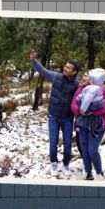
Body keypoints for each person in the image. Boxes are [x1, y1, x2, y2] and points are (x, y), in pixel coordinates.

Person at [29, 49, 80, 177]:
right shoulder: (57, 76)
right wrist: (33, 60)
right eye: (65, 66)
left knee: (68, 144)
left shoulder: (77, 84)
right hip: (53, 116)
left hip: (68, 118)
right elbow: (42, 70)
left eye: (68, 68)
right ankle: (54, 163)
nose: (65, 68)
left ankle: (66, 164)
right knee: (53, 141)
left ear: (74, 72)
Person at [71, 70, 105, 181]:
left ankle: (99, 173)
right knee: (84, 149)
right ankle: (88, 172)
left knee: (92, 150)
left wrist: (93, 112)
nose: (84, 78)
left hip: (98, 125)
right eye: (84, 75)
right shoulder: (81, 89)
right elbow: (74, 104)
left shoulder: (103, 89)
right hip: (83, 123)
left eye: (87, 76)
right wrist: (80, 111)